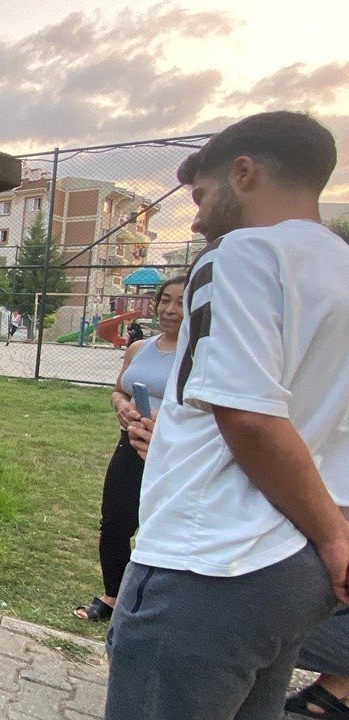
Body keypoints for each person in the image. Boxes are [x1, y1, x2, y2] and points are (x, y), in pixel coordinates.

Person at [104, 111, 348, 720]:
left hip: (209, 559)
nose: (197, 216)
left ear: (243, 173)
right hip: (291, 566)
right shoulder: (339, 267)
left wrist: (335, 537)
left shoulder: (240, 253)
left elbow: (250, 417)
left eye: (201, 195)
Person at [73, 276, 184, 622]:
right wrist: (120, 405)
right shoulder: (140, 348)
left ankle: (159, 605)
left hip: (175, 452)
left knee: (163, 527)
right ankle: (113, 595)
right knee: (115, 522)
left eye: (181, 302)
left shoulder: (203, 354)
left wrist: (168, 419)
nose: (170, 309)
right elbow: (118, 389)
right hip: (131, 444)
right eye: (165, 300)